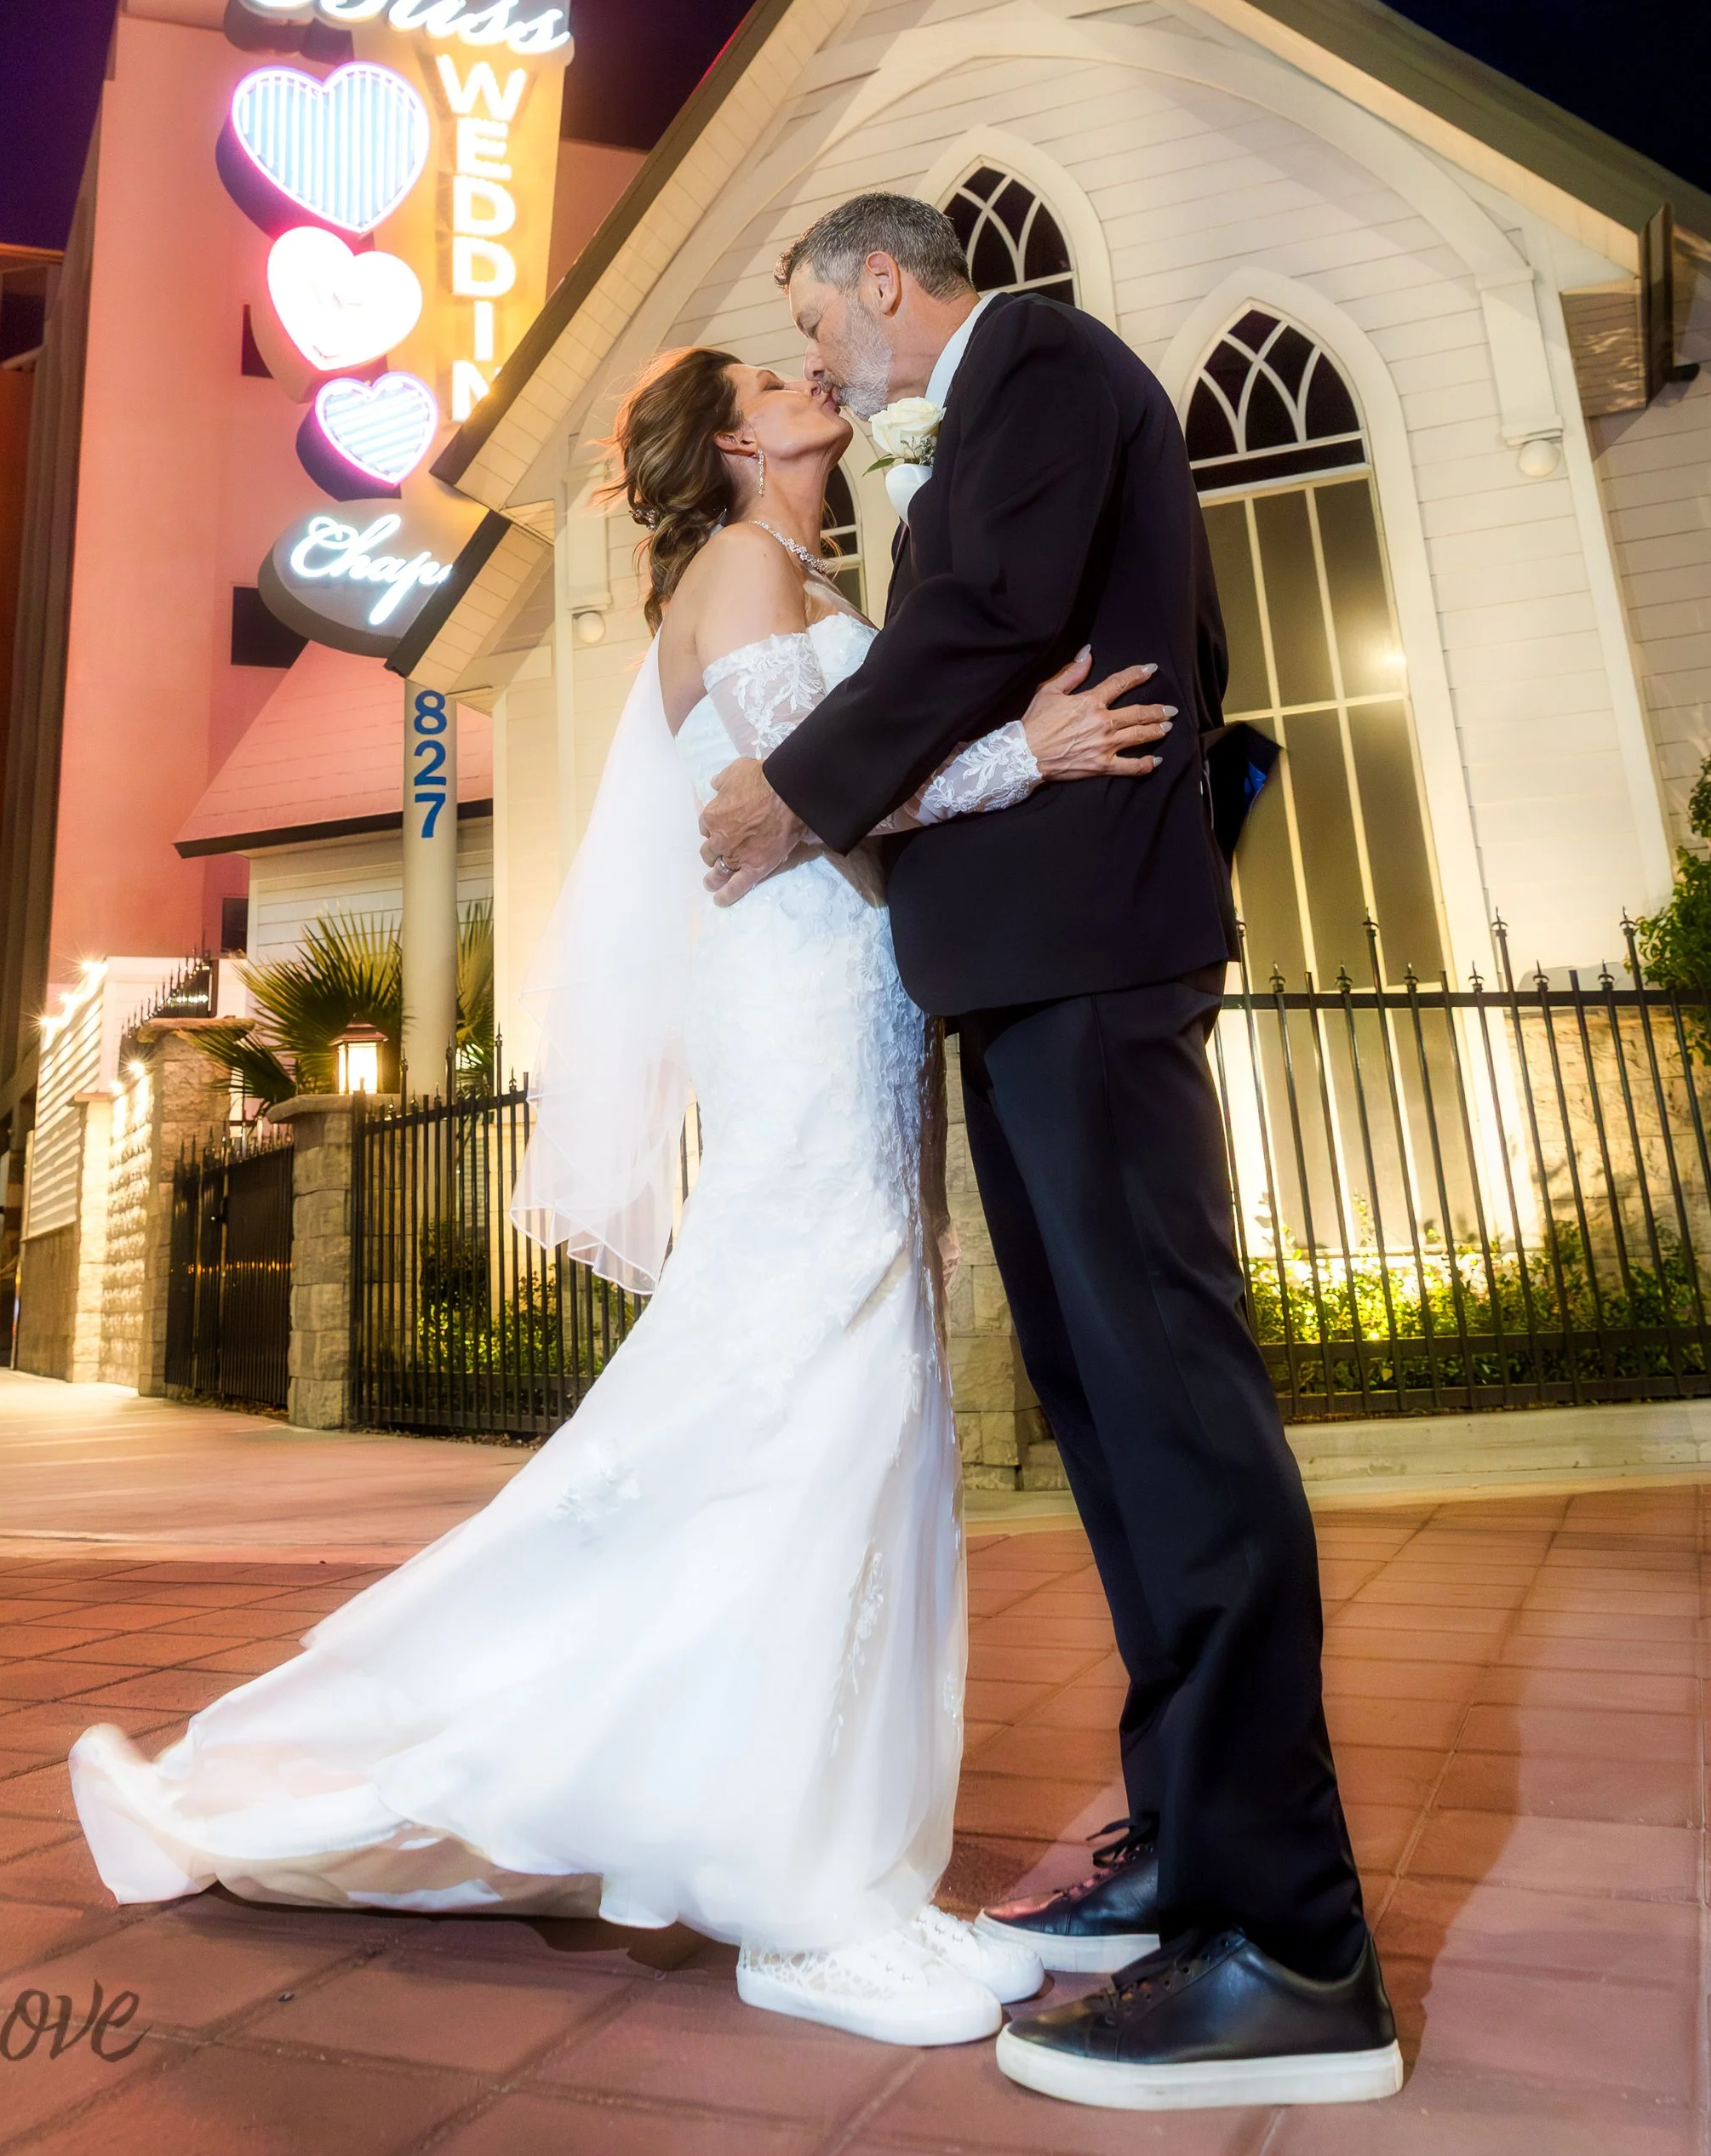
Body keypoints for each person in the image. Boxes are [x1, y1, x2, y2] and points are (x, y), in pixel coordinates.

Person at [71, 341, 1168, 2048]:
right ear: (737, 437)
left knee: (853, 1402)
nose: (817, 375)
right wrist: (1025, 747)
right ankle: (795, 1901)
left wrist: (934, 768)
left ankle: (844, 1861)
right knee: (807, 1388)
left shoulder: (798, 573)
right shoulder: (736, 568)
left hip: (857, 1002)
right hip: (797, 1008)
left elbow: (815, 795)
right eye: (781, 372)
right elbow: (828, 794)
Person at [699, 192, 1399, 2114]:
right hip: (1038, 980)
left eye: (816, 320)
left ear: (886, 282)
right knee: (1114, 1437)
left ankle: (1290, 1942)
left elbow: (983, 625)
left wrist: (800, 786)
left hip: (1095, 971)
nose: (824, 358)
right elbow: (1080, 639)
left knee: (1180, 1420)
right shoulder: (1018, 404)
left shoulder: (1049, 372)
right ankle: (1183, 1831)